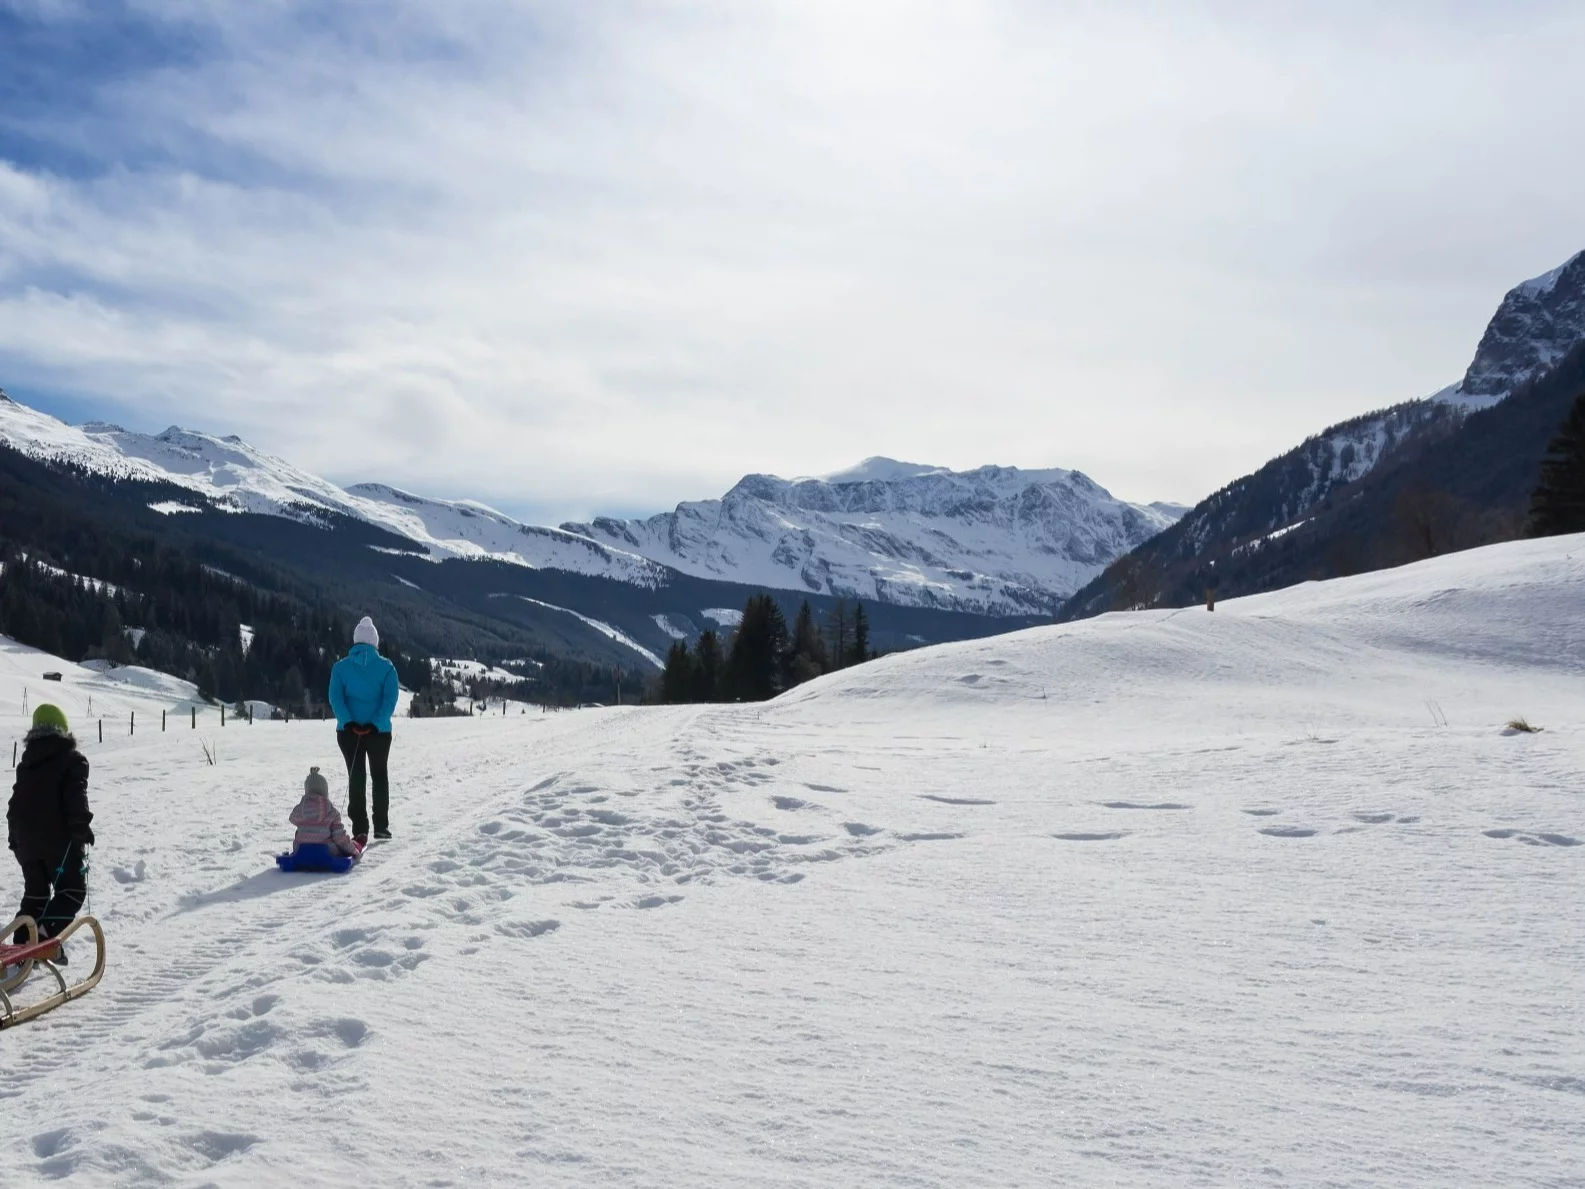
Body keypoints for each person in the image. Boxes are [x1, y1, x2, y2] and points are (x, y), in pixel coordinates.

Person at [7, 704, 93, 961]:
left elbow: (15, 805)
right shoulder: (72, 759)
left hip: (26, 843)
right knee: (72, 891)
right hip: (59, 841)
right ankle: (44, 938)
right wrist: (81, 827)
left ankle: (22, 941)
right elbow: (75, 796)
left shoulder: (27, 764)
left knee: (37, 894)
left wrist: (16, 841)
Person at [328, 616, 399, 845]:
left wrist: (349, 722)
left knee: (355, 776)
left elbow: (335, 698)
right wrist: (375, 723)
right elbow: (389, 700)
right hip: (379, 733)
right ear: (375, 642)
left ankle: (360, 829)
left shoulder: (340, 668)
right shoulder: (387, 668)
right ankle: (381, 827)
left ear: (356, 641)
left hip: (348, 734)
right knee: (379, 776)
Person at [288, 767, 362, 862]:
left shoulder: (299, 809)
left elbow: (291, 818)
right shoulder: (331, 812)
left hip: (301, 851)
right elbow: (339, 837)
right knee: (348, 844)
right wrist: (353, 851)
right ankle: (357, 844)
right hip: (328, 852)